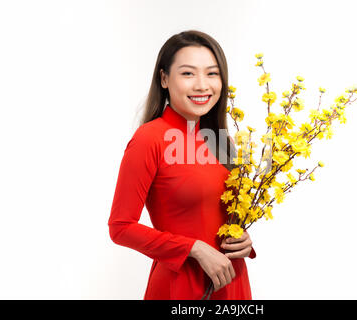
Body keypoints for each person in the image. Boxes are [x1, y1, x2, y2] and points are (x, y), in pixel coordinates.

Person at [108, 30, 256, 300]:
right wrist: (193, 249)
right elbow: (120, 227)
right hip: (181, 286)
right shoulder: (149, 139)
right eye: (188, 73)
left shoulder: (222, 142)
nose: (202, 85)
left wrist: (242, 240)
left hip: (231, 282)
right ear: (164, 78)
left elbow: (222, 212)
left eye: (212, 73)